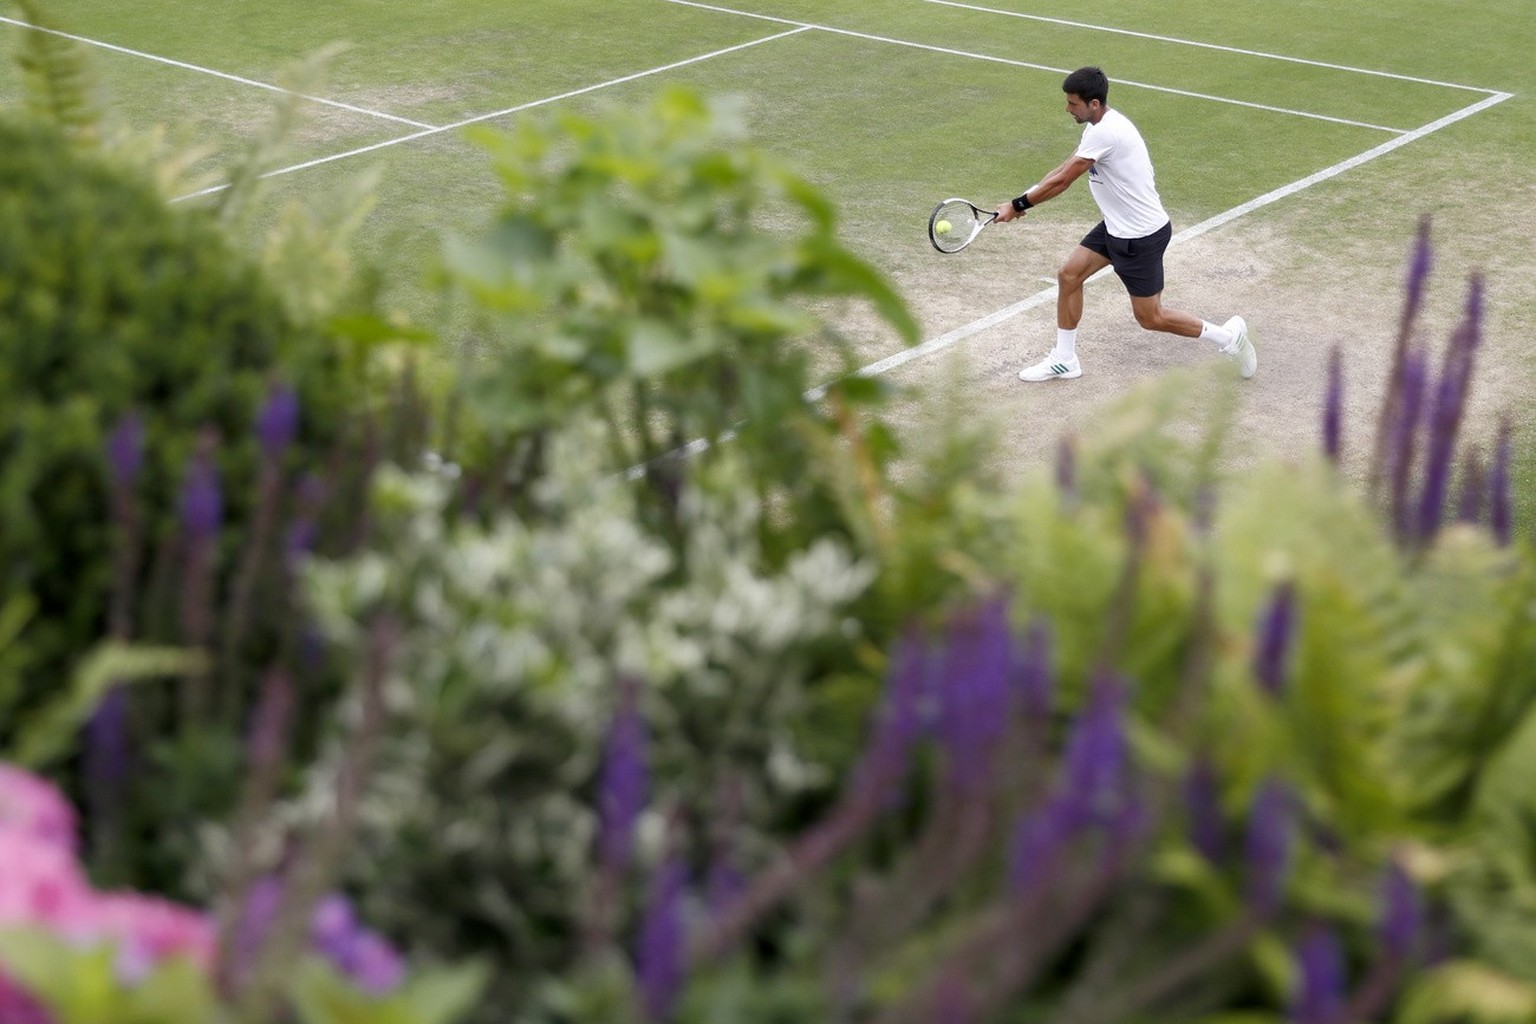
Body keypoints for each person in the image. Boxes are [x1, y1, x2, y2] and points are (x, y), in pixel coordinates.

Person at [995, 66, 1256, 382]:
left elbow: (1065, 180)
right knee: (1069, 275)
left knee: (1151, 317)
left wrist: (1019, 205)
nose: (1067, 108)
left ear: (1093, 104)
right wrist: (1021, 199)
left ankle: (1228, 338)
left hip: (1140, 236)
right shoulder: (1098, 126)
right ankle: (1065, 360)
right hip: (1116, 227)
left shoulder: (1108, 132)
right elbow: (1063, 167)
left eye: (1073, 103)